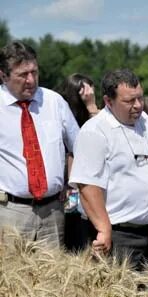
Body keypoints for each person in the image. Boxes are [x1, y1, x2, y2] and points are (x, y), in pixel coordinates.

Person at [69, 69, 148, 270]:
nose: (138, 106)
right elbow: (87, 185)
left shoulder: (147, 124)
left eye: (140, 98)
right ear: (108, 101)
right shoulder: (95, 131)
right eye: (129, 101)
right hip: (116, 236)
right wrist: (104, 229)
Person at [0, 41, 79, 248]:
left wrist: (70, 182)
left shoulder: (54, 102)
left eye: (34, 72)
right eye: (22, 75)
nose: (31, 80)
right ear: (3, 75)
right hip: (10, 212)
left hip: (53, 211)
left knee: (53, 278)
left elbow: (79, 147)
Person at [57, 73, 100, 252]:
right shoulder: (63, 116)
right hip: (71, 190)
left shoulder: (93, 116)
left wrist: (91, 106)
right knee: (75, 238)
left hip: (83, 188)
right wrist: (91, 105)